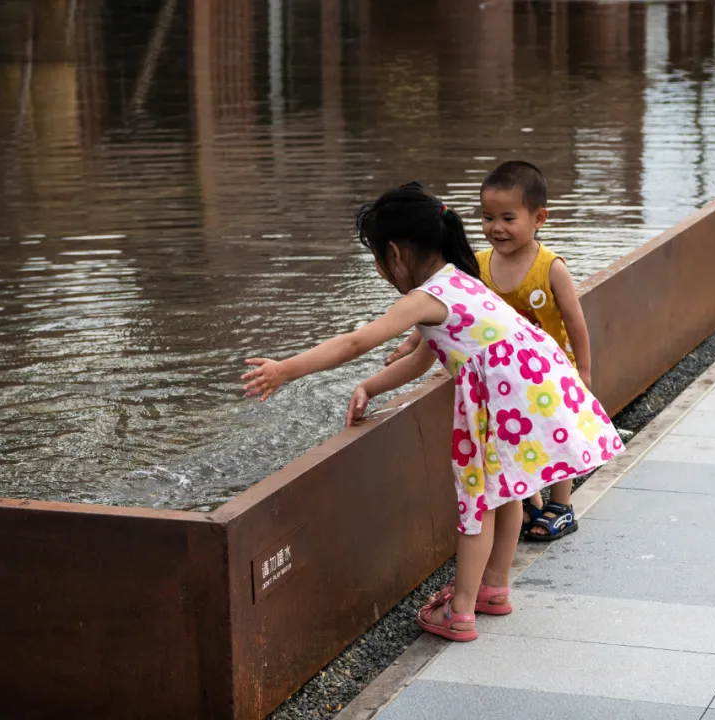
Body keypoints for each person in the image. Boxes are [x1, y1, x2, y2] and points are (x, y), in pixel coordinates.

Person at [241, 182, 622, 643]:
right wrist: (370, 385)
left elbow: (356, 341)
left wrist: (287, 369)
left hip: (505, 400)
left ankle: (460, 612)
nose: (383, 272)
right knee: (505, 494)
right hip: (530, 392)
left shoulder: (424, 298)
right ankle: (495, 589)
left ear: (396, 254)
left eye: (380, 261)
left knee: (478, 503)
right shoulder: (461, 281)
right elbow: (423, 359)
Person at [386, 161, 592, 542]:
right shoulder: (476, 265)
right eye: (487, 217)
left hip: (548, 369)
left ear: (539, 218)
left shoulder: (551, 268)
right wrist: (413, 341)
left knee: (558, 436)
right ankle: (528, 497)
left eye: (508, 218)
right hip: (505, 379)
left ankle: (560, 504)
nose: (496, 227)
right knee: (516, 440)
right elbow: (448, 310)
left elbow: (575, 322)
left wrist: (584, 372)